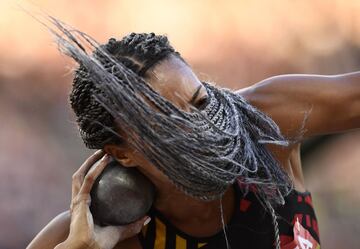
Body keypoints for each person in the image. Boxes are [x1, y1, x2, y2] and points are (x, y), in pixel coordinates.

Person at [26, 32, 360, 249]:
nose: (202, 126)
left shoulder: (267, 123)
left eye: (200, 102)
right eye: (169, 123)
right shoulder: (98, 236)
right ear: (121, 153)